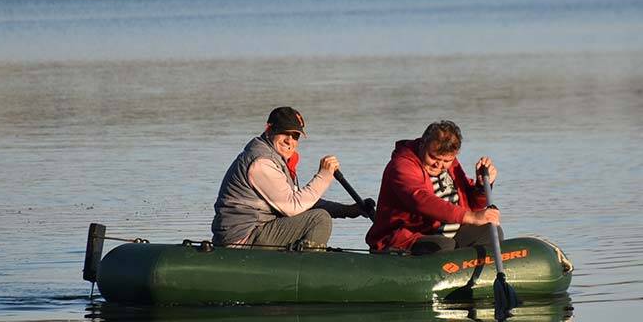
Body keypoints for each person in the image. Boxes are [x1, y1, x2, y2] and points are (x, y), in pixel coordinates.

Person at [212, 106, 369, 249]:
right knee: (320, 219)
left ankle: (303, 259)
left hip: (256, 231)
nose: (290, 141)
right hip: (240, 240)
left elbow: (303, 203)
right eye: (284, 133)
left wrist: (348, 210)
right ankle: (308, 269)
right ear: (269, 130)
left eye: (295, 136)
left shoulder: (273, 159)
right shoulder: (261, 163)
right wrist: (324, 176)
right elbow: (292, 207)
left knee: (317, 214)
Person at [366, 120, 501, 255]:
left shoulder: (451, 164)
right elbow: (420, 200)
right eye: (433, 157)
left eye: (446, 161)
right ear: (422, 145)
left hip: (451, 235)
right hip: (406, 239)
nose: (439, 165)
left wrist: (482, 186)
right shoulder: (402, 166)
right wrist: (471, 217)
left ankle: (478, 270)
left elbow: (472, 205)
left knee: (492, 231)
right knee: (442, 246)